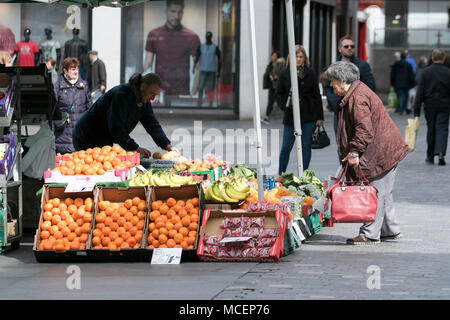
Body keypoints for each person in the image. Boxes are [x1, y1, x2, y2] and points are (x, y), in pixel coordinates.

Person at [325, 61, 409, 245]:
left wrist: (354, 151)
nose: (331, 85)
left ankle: (369, 234)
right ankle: (390, 230)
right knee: (383, 191)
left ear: (343, 80)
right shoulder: (356, 93)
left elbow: (364, 129)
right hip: (385, 149)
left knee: (376, 192)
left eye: (332, 81)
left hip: (381, 152)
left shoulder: (357, 97)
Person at [72, 73, 178, 159]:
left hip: (104, 137)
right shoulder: (121, 96)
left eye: (156, 95)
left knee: (106, 164)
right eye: (152, 94)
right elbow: (116, 129)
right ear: (143, 86)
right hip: (87, 135)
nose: (153, 98)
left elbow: (152, 124)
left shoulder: (143, 99)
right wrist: (135, 148)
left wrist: (167, 145)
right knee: (96, 168)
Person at [276, 45, 323, 175]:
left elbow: (316, 95)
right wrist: (284, 107)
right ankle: (281, 173)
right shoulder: (285, 73)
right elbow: (278, 93)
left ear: (305, 58)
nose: (298, 59)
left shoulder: (311, 72)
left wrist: (320, 117)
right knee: (286, 147)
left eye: (301, 57)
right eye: (296, 56)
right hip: (290, 115)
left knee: (305, 146)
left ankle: (303, 175)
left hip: (309, 115)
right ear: (291, 57)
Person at [143, 0, 200, 103]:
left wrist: (193, 93)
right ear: (166, 11)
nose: (176, 16)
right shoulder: (154, 34)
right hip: (158, 92)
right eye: (173, 11)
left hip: (182, 91)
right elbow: (147, 65)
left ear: (183, 12)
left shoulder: (191, 36)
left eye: (180, 12)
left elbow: (198, 67)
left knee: (181, 118)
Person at [324, 35, 376, 134]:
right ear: (340, 49)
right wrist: (336, 105)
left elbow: (370, 87)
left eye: (352, 46)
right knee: (341, 144)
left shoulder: (363, 66)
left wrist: (361, 105)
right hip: (339, 112)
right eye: (346, 46)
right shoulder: (334, 66)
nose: (349, 48)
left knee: (358, 142)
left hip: (358, 111)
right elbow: (328, 87)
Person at [413, 49, 450, 166]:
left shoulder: (426, 72)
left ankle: (430, 155)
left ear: (432, 58)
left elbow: (420, 92)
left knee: (431, 129)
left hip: (430, 105)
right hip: (445, 105)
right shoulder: (448, 72)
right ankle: (441, 153)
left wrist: (417, 111)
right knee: (442, 129)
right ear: (443, 59)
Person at [53, 57, 92, 154]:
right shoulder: (57, 86)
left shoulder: (84, 86)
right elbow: (52, 112)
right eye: (73, 69)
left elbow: (91, 110)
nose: (76, 72)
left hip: (80, 134)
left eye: (77, 69)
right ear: (65, 71)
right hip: (62, 136)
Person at [193, 31, 221, 107]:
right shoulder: (201, 46)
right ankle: (199, 102)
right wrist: (194, 66)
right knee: (201, 87)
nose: (208, 38)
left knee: (211, 88)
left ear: (211, 37)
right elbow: (197, 56)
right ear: (205, 37)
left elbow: (220, 59)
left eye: (209, 36)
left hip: (212, 70)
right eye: (207, 36)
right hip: (203, 70)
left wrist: (219, 71)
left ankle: (211, 102)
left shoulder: (215, 47)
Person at [262, 51, 283, 125]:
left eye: (274, 56)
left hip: (278, 86)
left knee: (280, 101)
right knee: (270, 101)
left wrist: (277, 76)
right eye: (272, 56)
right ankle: (267, 117)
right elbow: (267, 73)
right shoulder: (270, 65)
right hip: (272, 86)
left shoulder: (280, 64)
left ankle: (287, 114)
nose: (272, 57)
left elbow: (282, 73)